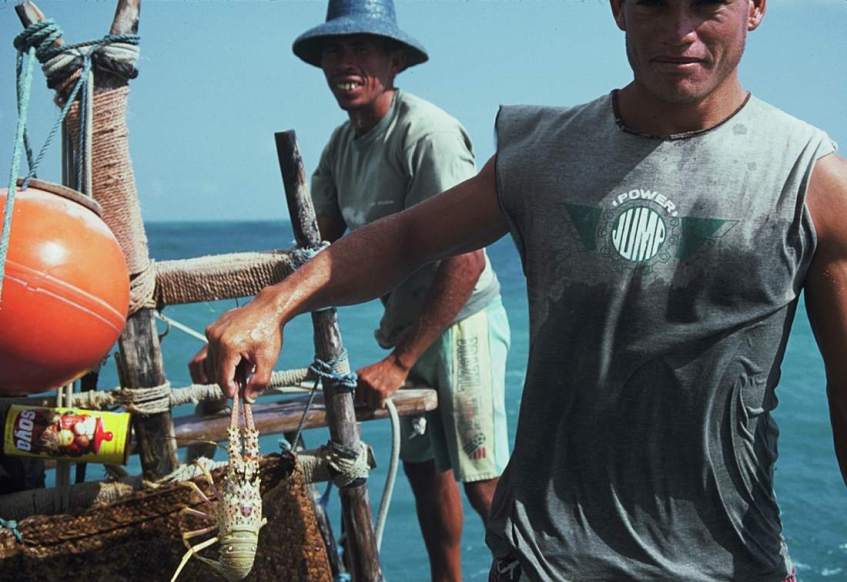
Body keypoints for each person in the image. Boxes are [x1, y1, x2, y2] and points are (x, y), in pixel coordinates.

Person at [201, 0, 847, 580]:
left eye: (706, 4)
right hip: (544, 557)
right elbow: (405, 239)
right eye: (653, 4)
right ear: (618, 7)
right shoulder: (544, 152)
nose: (680, 30)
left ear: (755, 7)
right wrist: (272, 305)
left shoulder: (808, 180)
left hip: (726, 559)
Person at [193, 1, 511, 580]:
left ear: (395, 60)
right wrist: (247, 321)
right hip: (405, 325)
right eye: (335, 50)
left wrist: (399, 361)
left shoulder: (427, 134)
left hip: (461, 320)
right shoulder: (342, 146)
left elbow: (466, 262)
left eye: (362, 48)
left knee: (486, 485)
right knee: (426, 477)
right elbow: (315, 259)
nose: (346, 62)